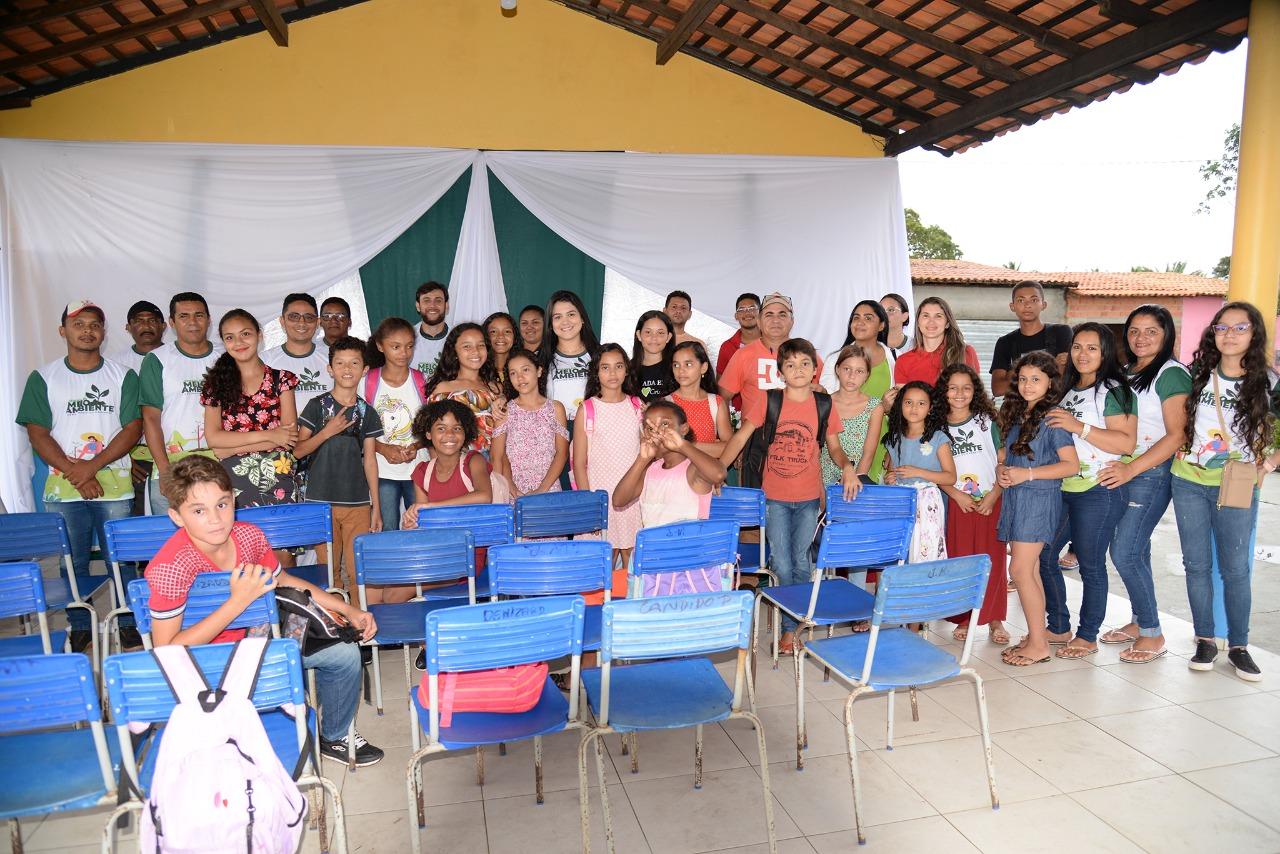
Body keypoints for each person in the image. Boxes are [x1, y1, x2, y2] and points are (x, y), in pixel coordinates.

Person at [144, 455, 383, 767]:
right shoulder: (170, 566)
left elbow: (283, 579)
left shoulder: (247, 536)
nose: (215, 519)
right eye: (198, 510)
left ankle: (333, 736)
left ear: (233, 501)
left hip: (260, 638)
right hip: (208, 664)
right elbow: (168, 651)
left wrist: (348, 609)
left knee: (345, 653)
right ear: (177, 516)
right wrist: (237, 601)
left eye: (222, 504)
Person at [17, 300, 143, 651]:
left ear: (103, 332)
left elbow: (132, 428)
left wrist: (92, 466)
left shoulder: (122, 376)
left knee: (121, 557)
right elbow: (38, 432)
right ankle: (80, 624)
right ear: (63, 331)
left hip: (115, 488)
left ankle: (130, 624)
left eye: (95, 324)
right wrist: (78, 472)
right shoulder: (44, 377)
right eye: (79, 324)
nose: (87, 330)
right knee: (71, 562)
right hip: (64, 488)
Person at [719, 338, 858, 655]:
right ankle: (790, 629)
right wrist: (718, 469)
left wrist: (848, 468)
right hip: (774, 498)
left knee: (801, 562)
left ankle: (795, 627)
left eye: (805, 363)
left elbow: (834, 447)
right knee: (781, 563)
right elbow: (741, 436)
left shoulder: (824, 405)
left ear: (815, 370)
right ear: (780, 371)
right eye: (791, 364)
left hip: (809, 497)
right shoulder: (769, 401)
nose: (798, 369)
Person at [1172, 301, 1278, 682]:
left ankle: (1239, 646)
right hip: (1188, 482)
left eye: (1240, 327)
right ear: (1212, 333)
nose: (1229, 334)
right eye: (1222, 327)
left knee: (1235, 570)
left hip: (1237, 485)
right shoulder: (1196, 374)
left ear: (1254, 334)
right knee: (1196, 565)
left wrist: (1268, 463)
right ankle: (1205, 639)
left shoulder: (1268, 380)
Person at [1097, 306, 1189, 664]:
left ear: (1166, 334)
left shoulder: (1170, 374)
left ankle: (1153, 632)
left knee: (1124, 552)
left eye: (1151, 331)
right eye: (1134, 330)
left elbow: (1176, 434)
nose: (1141, 338)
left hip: (1150, 473)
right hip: (1127, 470)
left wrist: (1131, 469)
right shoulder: (1127, 372)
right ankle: (1138, 621)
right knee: (1138, 549)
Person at [1041, 323, 1137, 661]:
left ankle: (1087, 635)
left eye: (1092, 348)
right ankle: (1059, 625)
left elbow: (1126, 442)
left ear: (1106, 352)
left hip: (1098, 489)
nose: (1083, 354)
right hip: (1064, 486)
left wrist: (1078, 426)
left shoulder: (1114, 390)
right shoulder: (1068, 390)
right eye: (1078, 347)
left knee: (1091, 566)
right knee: (1044, 554)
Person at [994, 352, 1079, 667]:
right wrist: (1004, 469)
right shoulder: (1019, 414)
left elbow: (1070, 465)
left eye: (1036, 379)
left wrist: (1026, 475)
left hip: (1039, 500)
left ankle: (1040, 646)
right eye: (1024, 378)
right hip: (1018, 499)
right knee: (1028, 571)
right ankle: (1036, 635)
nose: (1028, 385)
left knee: (1018, 571)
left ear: (1050, 382)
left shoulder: (1054, 418)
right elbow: (1014, 460)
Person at [293, 336, 383, 602]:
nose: (347, 368)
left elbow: (370, 459)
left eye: (354, 363)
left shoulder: (367, 412)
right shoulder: (317, 406)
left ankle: (360, 630)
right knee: (330, 573)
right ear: (330, 368)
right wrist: (327, 432)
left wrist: (375, 505)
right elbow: (298, 451)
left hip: (357, 504)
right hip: (321, 503)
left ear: (364, 369)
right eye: (340, 363)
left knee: (358, 572)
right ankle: (335, 627)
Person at [200, 309, 301, 509]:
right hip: (232, 483)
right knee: (238, 540)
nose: (238, 342)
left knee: (281, 539)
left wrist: (231, 448)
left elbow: (288, 440)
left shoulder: (282, 380)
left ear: (259, 335)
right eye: (230, 337)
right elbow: (214, 439)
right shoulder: (215, 384)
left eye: (245, 334)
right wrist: (271, 436)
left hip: (278, 477)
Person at [937, 364, 1008, 645]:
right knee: (961, 558)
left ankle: (994, 618)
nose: (959, 393)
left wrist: (993, 495)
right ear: (943, 391)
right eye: (953, 387)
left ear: (975, 391)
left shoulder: (986, 421)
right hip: (958, 502)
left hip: (991, 500)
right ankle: (964, 615)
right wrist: (955, 494)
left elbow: (1004, 461)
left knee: (993, 560)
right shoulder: (937, 425)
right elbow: (929, 467)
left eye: (966, 387)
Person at [572, 344, 645, 594]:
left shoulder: (637, 407)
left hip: (634, 499)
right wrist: (589, 505)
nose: (612, 373)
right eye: (605, 367)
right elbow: (579, 463)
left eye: (618, 366)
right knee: (603, 567)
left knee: (634, 565)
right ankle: (605, 614)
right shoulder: (588, 409)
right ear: (596, 373)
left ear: (627, 371)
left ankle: (632, 616)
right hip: (601, 499)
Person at [140, 292, 220, 515]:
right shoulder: (157, 360)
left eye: (199, 315)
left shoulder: (227, 357)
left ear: (209, 319)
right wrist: (165, 472)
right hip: (172, 468)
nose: (193, 322)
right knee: (172, 542)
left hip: (221, 465)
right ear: (172, 322)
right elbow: (150, 418)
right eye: (184, 316)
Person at [365, 317, 428, 532]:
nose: (404, 353)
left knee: (418, 527)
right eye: (396, 347)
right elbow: (358, 430)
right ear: (380, 346)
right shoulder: (367, 382)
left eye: (409, 346)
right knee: (386, 530)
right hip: (382, 472)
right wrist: (383, 449)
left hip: (418, 468)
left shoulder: (422, 381)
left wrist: (416, 446)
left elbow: (430, 427)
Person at [719, 292, 823, 422]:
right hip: (754, 436)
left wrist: (822, 392)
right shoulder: (743, 355)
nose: (776, 320)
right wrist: (728, 435)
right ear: (759, 321)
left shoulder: (808, 354)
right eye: (769, 314)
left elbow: (825, 396)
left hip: (798, 436)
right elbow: (722, 398)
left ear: (792, 321)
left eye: (782, 314)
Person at [883, 381, 955, 563]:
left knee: (926, 553)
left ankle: (926, 590)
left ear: (930, 408)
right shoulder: (894, 438)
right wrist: (890, 477)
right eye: (908, 402)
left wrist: (919, 472)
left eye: (921, 403)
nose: (914, 408)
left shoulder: (938, 438)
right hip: (901, 502)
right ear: (900, 405)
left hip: (927, 502)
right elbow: (892, 472)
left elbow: (950, 477)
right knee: (902, 553)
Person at [112, 300, 166, 517]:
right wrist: (125, 457)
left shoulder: (174, 356)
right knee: (141, 525)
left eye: (152, 320)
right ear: (128, 327)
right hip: (134, 457)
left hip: (173, 452)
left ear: (163, 325)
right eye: (139, 321)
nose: (146, 326)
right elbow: (112, 417)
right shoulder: (116, 364)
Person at [491, 349, 569, 497]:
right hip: (513, 492)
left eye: (525, 370)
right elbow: (497, 456)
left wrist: (541, 490)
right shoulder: (505, 410)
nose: (520, 377)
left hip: (549, 490)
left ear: (539, 371)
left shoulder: (556, 408)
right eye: (513, 373)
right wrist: (511, 488)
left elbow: (562, 453)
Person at [542, 290, 600, 487]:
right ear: (551, 324)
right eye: (557, 317)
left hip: (594, 432)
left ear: (582, 318)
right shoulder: (540, 359)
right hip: (554, 435)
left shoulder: (599, 356)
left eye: (571, 314)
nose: (565, 321)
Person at [423, 323, 505, 455]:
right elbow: (432, 438)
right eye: (467, 346)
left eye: (481, 345)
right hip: (454, 465)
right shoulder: (442, 389)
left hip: (490, 466)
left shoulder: (495, 388)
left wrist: (503, 398)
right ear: (454, 351)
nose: (476, 351)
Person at [989, 281, 1071, 398]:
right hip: (1020, 411)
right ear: (1012, 306)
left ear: (1043, 304)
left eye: (1034, 300)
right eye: (1021, 300)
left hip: (1056, 407)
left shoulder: (1061, 332)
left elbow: (1066, 377)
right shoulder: (1005, 342)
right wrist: (1053, 366)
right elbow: (998, 389)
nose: (1027, 305)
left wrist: (1014, 374)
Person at [819, 345, 882, 485]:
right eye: (847, 369)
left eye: (859, 371)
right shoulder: (825, 403)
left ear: (867, 375)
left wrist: (856, 479)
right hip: (825, 477)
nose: (852, 376)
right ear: (837, 370)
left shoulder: (875, 407)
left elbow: (868, 453)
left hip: (858, 478)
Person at [262, 293, 331, 416]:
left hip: (328, 433)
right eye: (294, 316)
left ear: (318, 322)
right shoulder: (264, 361)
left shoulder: (333, 358)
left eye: (309, 317)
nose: (301, 322)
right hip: (281, 434)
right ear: (282, 321)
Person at [893, 296, 979, 386]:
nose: (931, 322)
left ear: (947, 323)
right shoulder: (903, 361)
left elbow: (974, 393)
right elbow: (903, 399)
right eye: (926, 316)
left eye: (938, 316)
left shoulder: (965, 353)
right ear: (918, 322)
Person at [818, 301, 895, 399]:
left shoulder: (896, 357)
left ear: (881, 326)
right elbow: (827, 400)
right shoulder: (833, 359)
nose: (860, 322)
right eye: (856, 318)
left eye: (868, 318)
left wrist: (887, 409)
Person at [669, 340, 732, 454]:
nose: (681, 370)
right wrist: (712, 448)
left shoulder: (715, 402)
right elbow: (663, 447)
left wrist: (684, 446)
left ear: (703, 367)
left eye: (688, 364)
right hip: (674, 472)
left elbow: (729, 448)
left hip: (705, 471)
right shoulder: (666, 403)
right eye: (676, 365)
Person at [716, 292, 761, 413]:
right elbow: (720, 389)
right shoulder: (727, 347)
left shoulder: (774, 344)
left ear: (761, 313)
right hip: (740, 416)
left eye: (752, 308)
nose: (747, 313)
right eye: (742, 309)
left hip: (773, 414)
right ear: (736, 316)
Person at [631, 310, 676, 401]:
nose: (654, 338)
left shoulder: (677, 368)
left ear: (668, 337)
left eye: (660, 333)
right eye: (648, 332)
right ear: (639, 335)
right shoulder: (626, 370)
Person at [411, 281, 450, 379]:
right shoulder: (407, 337)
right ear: (418, 306)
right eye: (426, 300)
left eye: (438, 300)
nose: (432, 305)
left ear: (446, 306)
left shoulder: (458, 338)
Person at [483, 311, 517, 381]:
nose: (500, 336)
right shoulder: (478, 371)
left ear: (514, 336)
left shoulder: (524, 368)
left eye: (507, 331)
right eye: (493, 332)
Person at [880, 293, 912, 357]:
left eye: (891, 310)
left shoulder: (916, 346)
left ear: (904, 316)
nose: (884, 315)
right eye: (881, 310)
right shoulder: (871, 348)